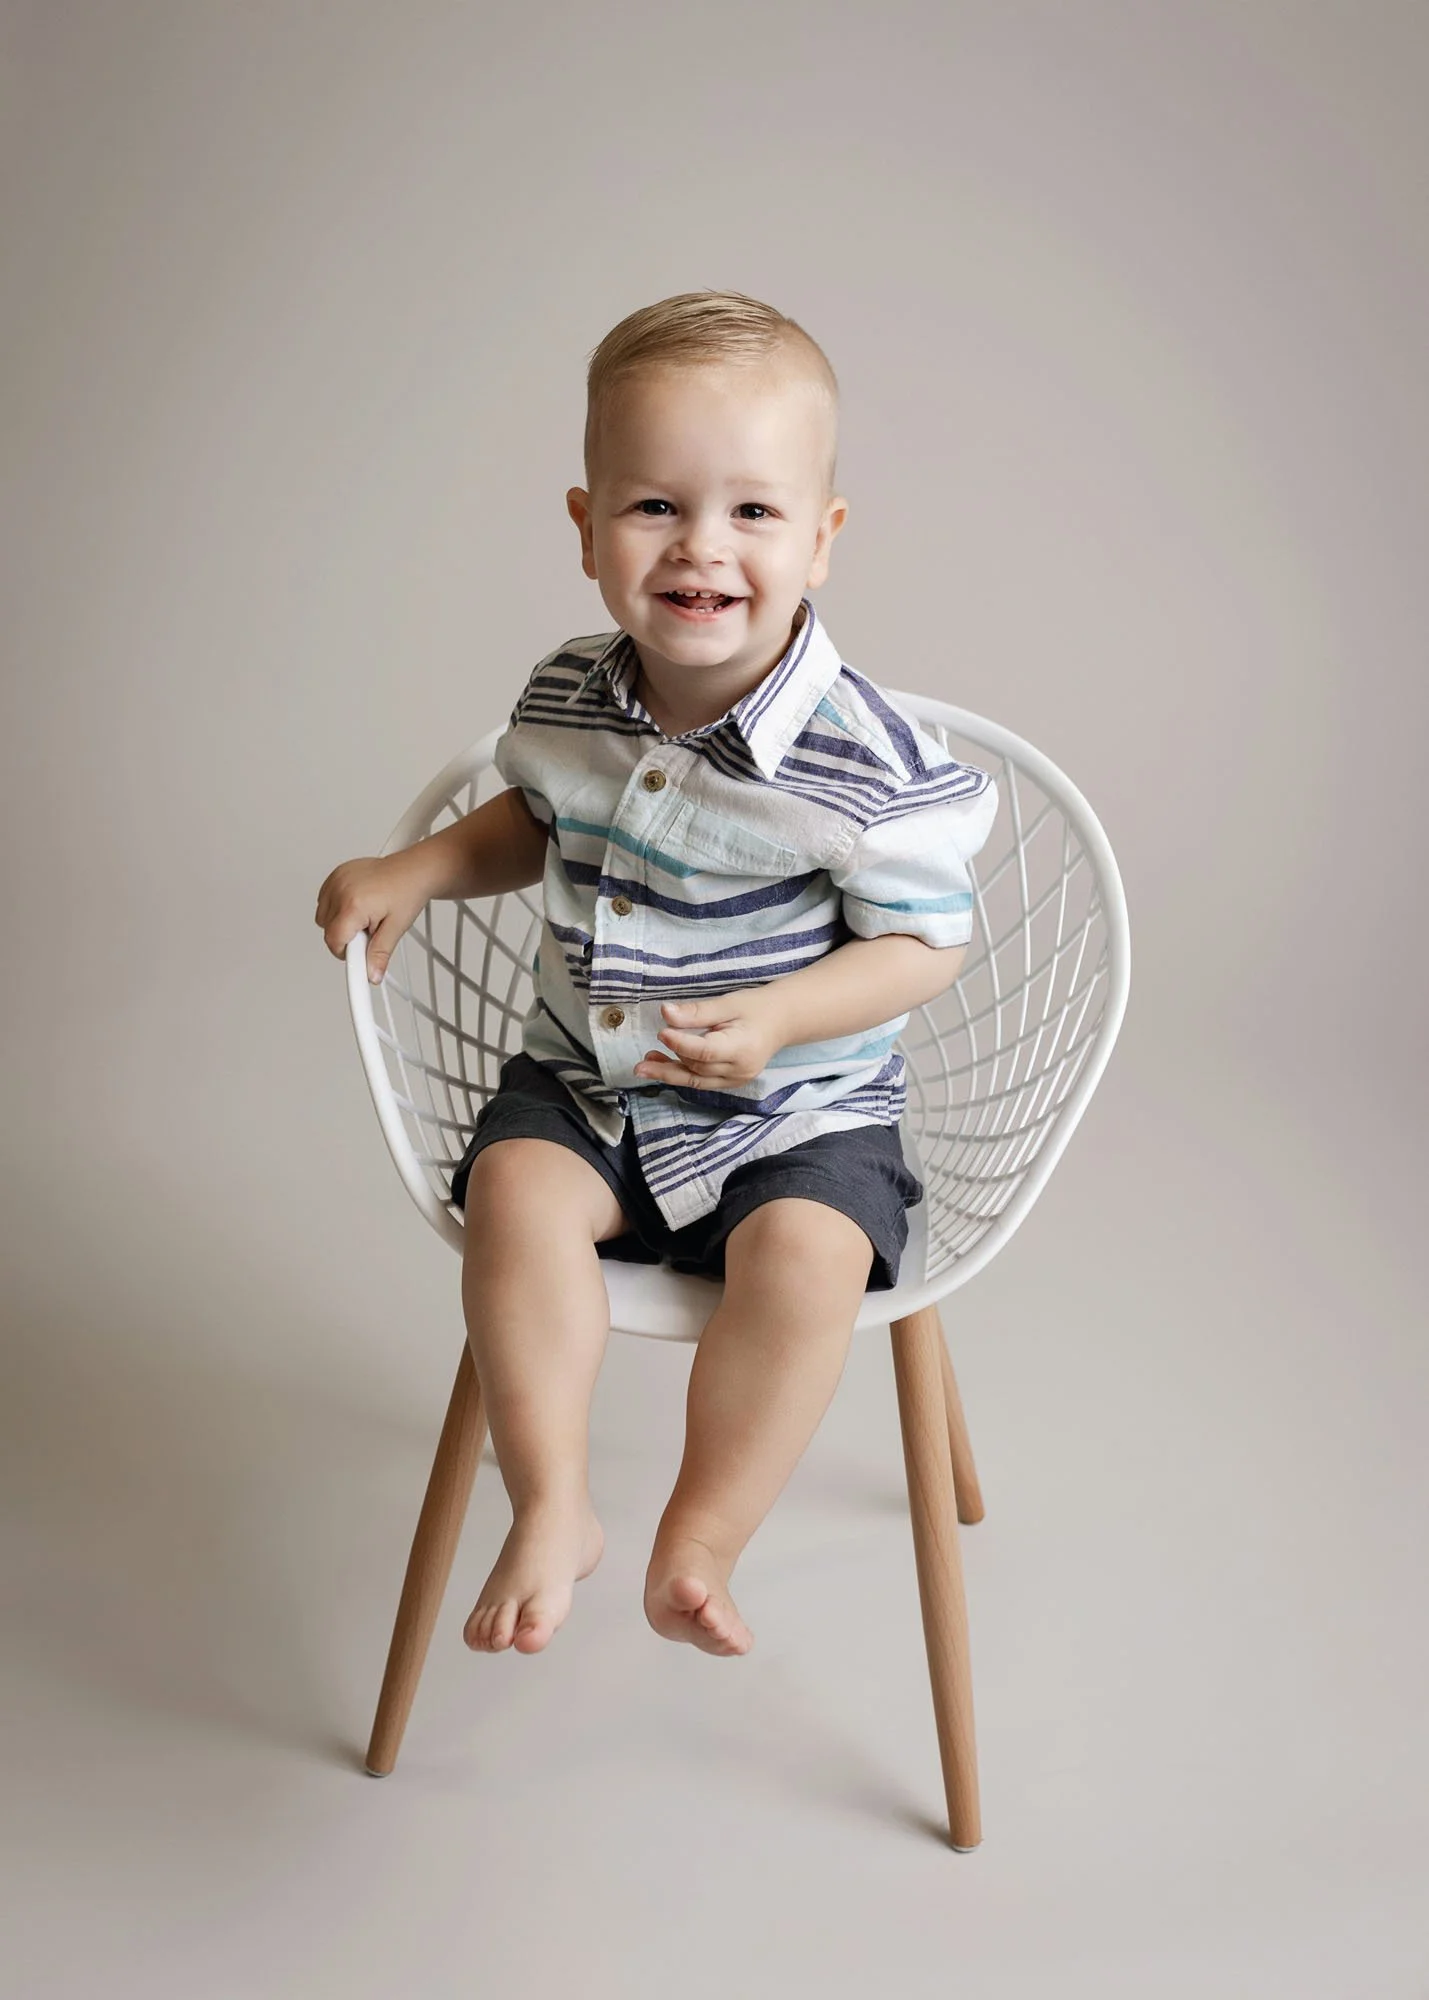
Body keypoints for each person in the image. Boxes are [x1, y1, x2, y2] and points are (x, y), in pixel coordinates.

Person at [315, 289, 998, 1665]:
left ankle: (702, 1535)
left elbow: (928, 942)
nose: (702, 546)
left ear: (822, 537)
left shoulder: (862, 761)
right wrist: (419, 869)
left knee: (808, 1261)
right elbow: (538, 821)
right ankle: (553, 1501)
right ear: (586, 529)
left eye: (754, 512)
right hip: (590, 1086)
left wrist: (786, 1018)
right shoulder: (571, 693)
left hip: (796, 1112)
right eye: (655, 508)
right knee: (514, 1195)